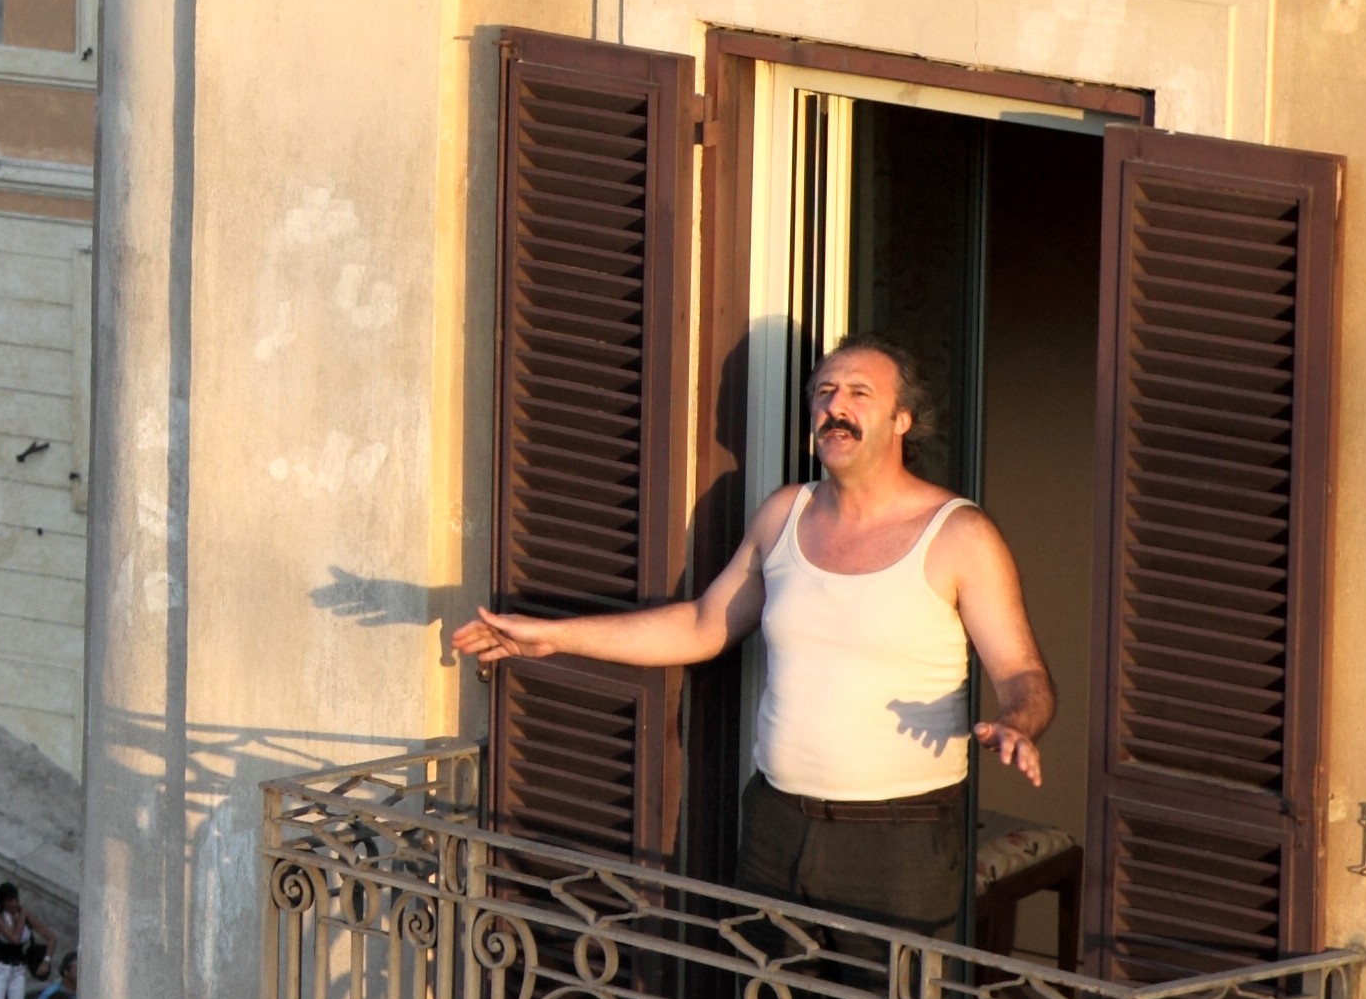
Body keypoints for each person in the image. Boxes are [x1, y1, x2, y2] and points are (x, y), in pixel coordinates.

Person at [444, 332, 1048, 937]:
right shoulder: (784, 513)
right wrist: (552, 638)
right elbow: (703, 624)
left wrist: (1018, 722)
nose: (836, 407)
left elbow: (1022, 673)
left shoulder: (958, 534)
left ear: (903, 419)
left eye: (859, 393)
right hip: (774, 826)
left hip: (900, 847)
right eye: (824, 392)